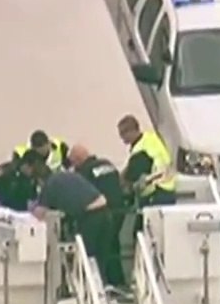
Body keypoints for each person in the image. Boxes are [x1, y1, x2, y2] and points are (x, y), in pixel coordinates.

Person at [27, 154, 119, 286]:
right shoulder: (69, 176)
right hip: (106, 213)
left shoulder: (50, 185)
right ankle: (101, 291)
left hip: (91, 219)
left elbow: (38, 215)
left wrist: (27, 212)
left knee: (85, 260)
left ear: (40, 180)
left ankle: (87, 292)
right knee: (99, 262)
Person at [70, 143, 128, 286]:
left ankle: (99, 283)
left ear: (78, 159)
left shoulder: (84, 172)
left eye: (73, 162)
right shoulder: (108, 164)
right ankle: (118, 281)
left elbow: (81, 195)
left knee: (97, 250)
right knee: (114, 245)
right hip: (119, 211)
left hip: (100, 214)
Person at [117, 114, 177, 209]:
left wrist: (121, 182)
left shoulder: (140, 150)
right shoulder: (151, 139)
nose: (122, 138)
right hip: (169, 189)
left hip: (155, 193)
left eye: (123, 134)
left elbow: (132, 176)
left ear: (131, 131)